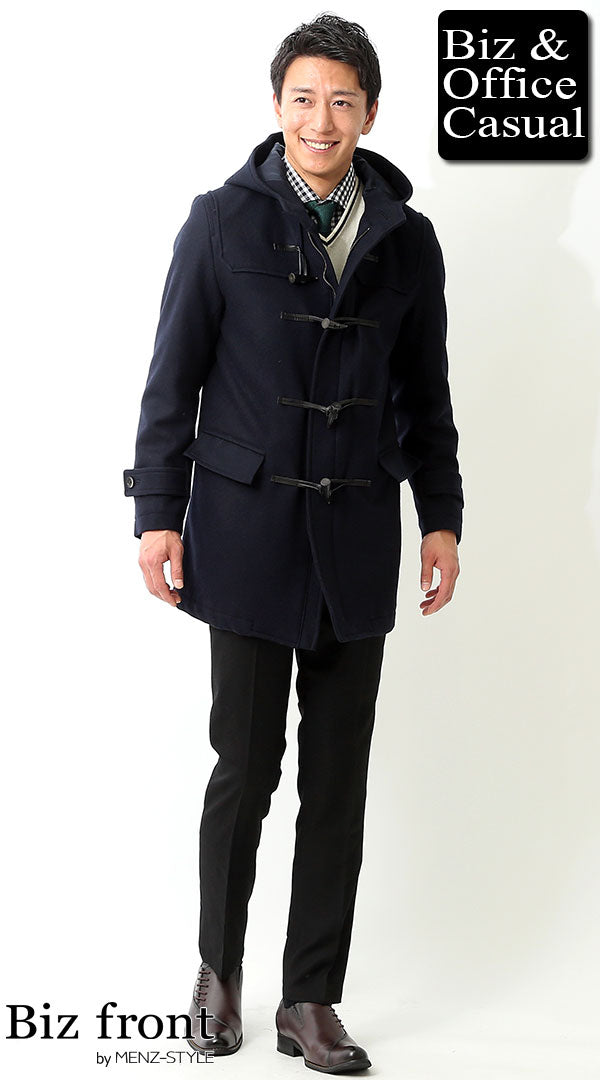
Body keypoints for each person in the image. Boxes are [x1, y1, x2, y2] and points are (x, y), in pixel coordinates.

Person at [123, 13, 463, 1073]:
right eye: (305, 98)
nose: (323, 119)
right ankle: (218, 974)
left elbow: (426, 394)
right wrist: (156, 511)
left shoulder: (407, 239)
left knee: (338, 780)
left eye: (343, 101)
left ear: (371, 113)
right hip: (246, 533)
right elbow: (171, 377)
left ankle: (310, 997)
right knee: (245, 767)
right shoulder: (221, 221)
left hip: (356, 533)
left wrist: (442, 515)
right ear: (278, 107)